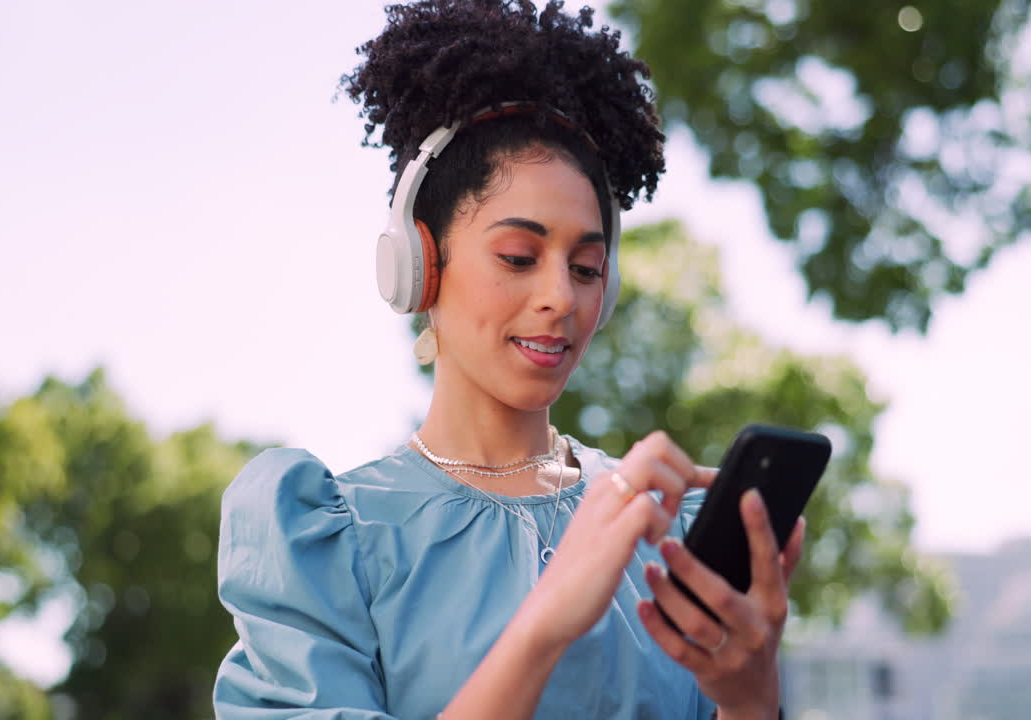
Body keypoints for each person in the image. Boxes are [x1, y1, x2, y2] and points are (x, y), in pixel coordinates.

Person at [213, 1, 805, 718]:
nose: (560, 297)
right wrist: (544, 623)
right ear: (420, 265)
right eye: (519, 257)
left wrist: (749, 700)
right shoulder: (326, 540)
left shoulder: (670, 530)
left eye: (587, 268)